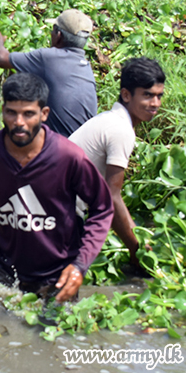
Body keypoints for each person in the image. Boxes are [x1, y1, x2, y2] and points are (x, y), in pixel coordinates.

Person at [0, 73, 114, 302]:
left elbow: (102, 207)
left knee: (51, 333)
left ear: (44, 114)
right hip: (4, 268)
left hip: (57, 273)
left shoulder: (68, 157)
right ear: (3, 112)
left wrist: (80, 265)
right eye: (12, 112)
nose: (19, 122)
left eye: (28, 114)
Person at [70, 57, 165, 267]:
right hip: (59, 211)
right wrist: (136, 249)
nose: (155, 104)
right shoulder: (120, 129)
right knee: (64, 289)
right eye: (147, 95)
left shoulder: (112, 119)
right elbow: (111, 197)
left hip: (48, 205)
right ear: (126, 95)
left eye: (159, 96)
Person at [0, 8, 97, 137]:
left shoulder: (49, 58)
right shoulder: (86, 66)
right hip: (84, 148)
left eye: (53, 30)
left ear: (59, 36)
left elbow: (0, 58)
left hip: (62, 147)